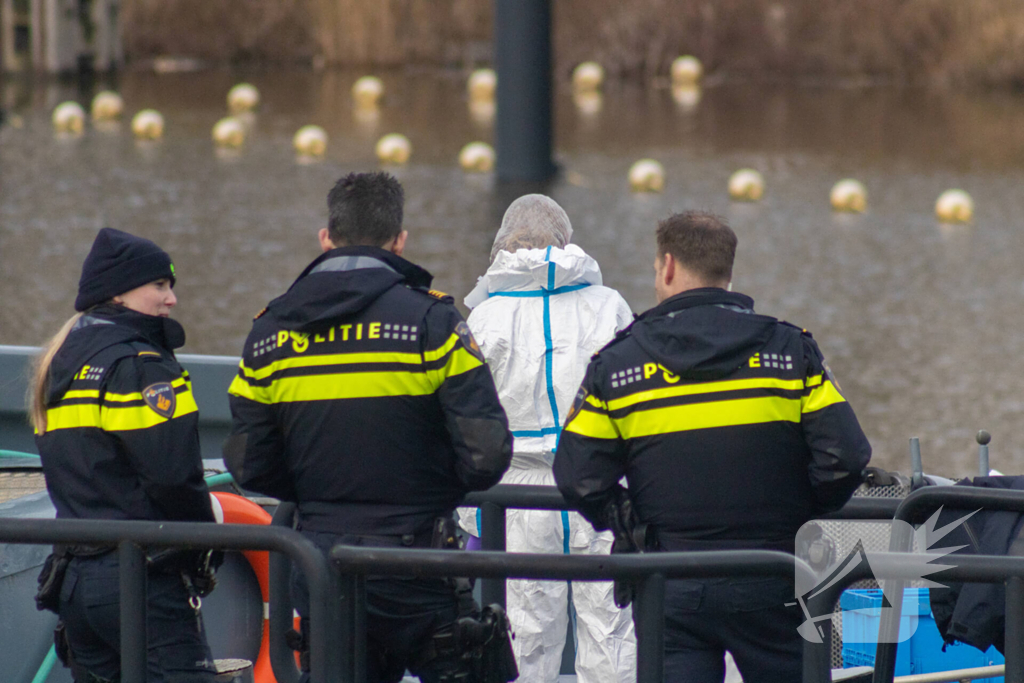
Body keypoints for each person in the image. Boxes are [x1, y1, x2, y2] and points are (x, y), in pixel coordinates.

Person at [552, 211, 872, 683]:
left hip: (670, 580)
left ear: (666, 266)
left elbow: (577, 474)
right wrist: (794, 512)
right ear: (728, 273)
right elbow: (846, 456)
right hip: (775, 573)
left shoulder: (620, 364)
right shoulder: (789, 352)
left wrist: (632, 521)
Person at [223, 171, 514, 683]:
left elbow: (249, 462)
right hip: (420, 563)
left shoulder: (269, 334)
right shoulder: (431, 323)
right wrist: (427, 496)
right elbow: (486, 454)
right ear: (399, 240)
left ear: (325, 238)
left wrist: (318, 501)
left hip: (320, 562)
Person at [456, 194, 636, 683]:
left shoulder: (485, 317)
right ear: (566, 239)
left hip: (516, 498)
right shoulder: (608, 305)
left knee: (525, 638)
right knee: (611, 632)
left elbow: (467, 420)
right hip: (597, 485)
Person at [31, 227, 218, 683]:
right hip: (140, 581)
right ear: (118, 292)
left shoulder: (61, 364)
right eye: (159, 285)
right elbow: (173, 477)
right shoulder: (141, 365)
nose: (170, 298)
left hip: (75, 582)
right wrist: (205, 547)